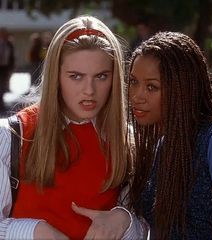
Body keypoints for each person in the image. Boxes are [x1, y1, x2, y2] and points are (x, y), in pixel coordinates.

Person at [72, 31, 212, 240]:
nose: (137, 96)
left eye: (152, 87)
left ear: (181, 89)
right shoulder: (160, 147)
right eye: (133, 82)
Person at [0, 15, 129, 239]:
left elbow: (150, 226)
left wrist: (125, 221)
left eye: (101, 76)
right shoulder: (12, 136)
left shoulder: (126, 141)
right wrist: (35, 231)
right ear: (56, 76)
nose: (89, 90)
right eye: (76, 76)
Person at [0, 27, 15, 111]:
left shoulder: (9, 44)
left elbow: (12, 56)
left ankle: (1, 102)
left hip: (5, 67)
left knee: (3, 85)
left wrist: (11, 67)